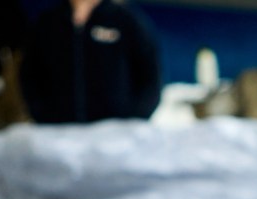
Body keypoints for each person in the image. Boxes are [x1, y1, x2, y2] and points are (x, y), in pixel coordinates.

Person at [20, 0, 161, 124]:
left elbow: (151, 76)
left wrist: (132, 121)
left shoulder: (126, 21)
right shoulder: (47, 23)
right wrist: (43, 115)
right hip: (60, 136)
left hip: (114, 139)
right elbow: (29, 75)